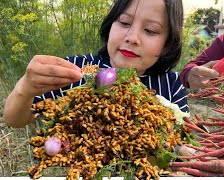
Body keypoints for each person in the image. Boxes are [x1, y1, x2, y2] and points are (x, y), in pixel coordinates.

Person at [4, 0, 188, 128]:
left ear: (167, 44)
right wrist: (25, 89)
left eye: (150, 30)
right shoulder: (77, 70)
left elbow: (180, 139)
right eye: (124, 23)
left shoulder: (171, 85)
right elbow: (15, 120)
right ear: (110, 25)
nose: (132, 38)